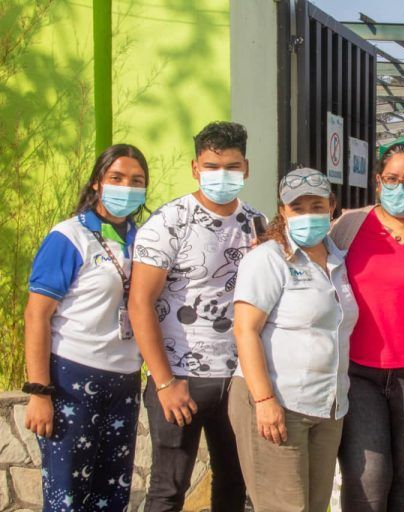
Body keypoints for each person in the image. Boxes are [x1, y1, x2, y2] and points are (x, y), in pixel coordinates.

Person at [129, 122, 265, 511]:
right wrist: (164, 382)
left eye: (232, 167)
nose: (222, 175)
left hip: (238, 379)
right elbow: (140, 303)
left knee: (234, 484)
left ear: (246, 168)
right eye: (211, 166)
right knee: (168, 490)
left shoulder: (257, 223)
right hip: (180, 378)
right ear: (195, 168)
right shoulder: (169, 222)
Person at [23, 144, 149, 511]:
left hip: (125, 380)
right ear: (97, 182)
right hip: (72, 379)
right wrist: (39, 391)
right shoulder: (68, 237)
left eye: (136, 181)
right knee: (67, 495)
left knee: (112, 495)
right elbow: (36, 316)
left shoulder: (144, 239)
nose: (126, 187)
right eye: (117, 178)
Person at [330, 143, 404, 512]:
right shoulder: (348, 226)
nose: (401, 188)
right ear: (377, 181)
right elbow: (311, 261)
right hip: (358, 374)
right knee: (367, 477)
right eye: (392, 179)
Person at [228, 167, 358, 512]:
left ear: (332, 206)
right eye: (297, 208)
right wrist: (264, 400)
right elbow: (245, 330)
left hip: (328, 405)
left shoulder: (340, 259)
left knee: (315, 506)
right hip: (278, 403)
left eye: (316, 206)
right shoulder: (268, 259)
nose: (307, 215)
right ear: (283, 211)